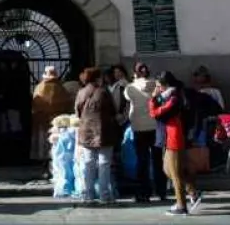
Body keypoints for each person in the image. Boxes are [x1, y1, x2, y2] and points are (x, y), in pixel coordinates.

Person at [149, 70, 202, 216]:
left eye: (159, 86)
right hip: (168, 136)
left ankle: (181, 205)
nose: (157, 89)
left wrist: (153, 99)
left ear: (166, 85)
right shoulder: (168, 96)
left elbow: (155, 113)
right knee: (167, 169)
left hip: (174, 136)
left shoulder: (174, 97)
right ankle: (193, 192)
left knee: (175, 172)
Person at [75, 67, 120, 204]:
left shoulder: (81, 92)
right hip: (104, 132)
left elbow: (77, 113)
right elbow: (114, 110)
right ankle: (104, 195)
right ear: (97, 78)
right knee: (104, 164)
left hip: (86, 132)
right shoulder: (104, 91)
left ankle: (88, 195)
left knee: (88, 164)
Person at [124, 62, 166, 204]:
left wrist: (135, 80)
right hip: (155, 125)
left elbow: (128, 98)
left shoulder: (130, 87)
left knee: (142, 161)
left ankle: (144, 193)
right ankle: (161, 191)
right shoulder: (156, 84)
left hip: (138, 127)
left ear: (135, 73)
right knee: (157, 160)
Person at [30, 66, 73, 175]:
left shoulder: (39, 87)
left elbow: (35, 104)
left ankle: (45, 165)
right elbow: (67, 105)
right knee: (56, 145)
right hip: (57, 122)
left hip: (42, 121)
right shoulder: (60, 88)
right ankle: (55, 167)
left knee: (44, 145)